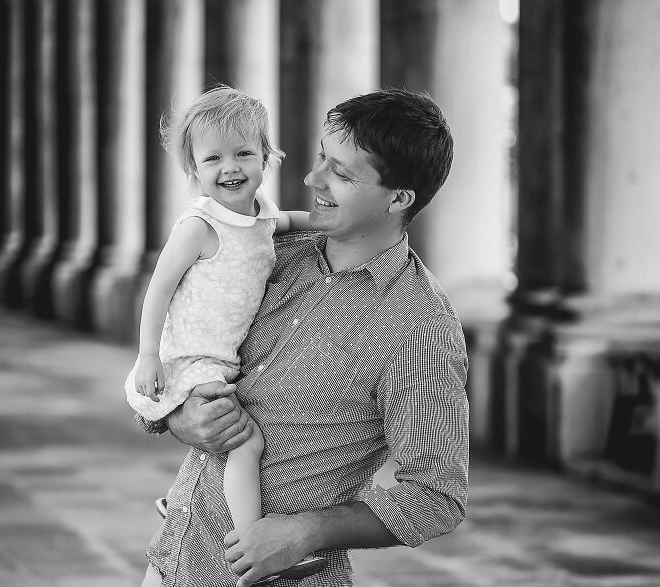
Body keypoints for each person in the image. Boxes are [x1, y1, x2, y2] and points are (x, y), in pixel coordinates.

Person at [137, 88, 469, 587]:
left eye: (341, 172)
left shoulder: (418, 329)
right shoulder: (268, 251)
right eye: (321, 158)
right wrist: (176, 416)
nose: (312, 179)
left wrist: (305, 532)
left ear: (399, 197)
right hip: (176, 557)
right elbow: (178, 340)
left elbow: (436, 496)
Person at [123, 86, 320, 584]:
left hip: (222, 356)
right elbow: (159, 289)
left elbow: (289, 222)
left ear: (267, 156)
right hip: (193, 356)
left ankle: (187, 507)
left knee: (233, 441)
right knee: (245, 443)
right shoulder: (200, 224)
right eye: (213, 159)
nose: (229, 167)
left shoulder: (260, 212)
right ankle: (251, 550)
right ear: (194, 170)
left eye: (243, 153)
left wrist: (331, 224)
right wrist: (148, 356)